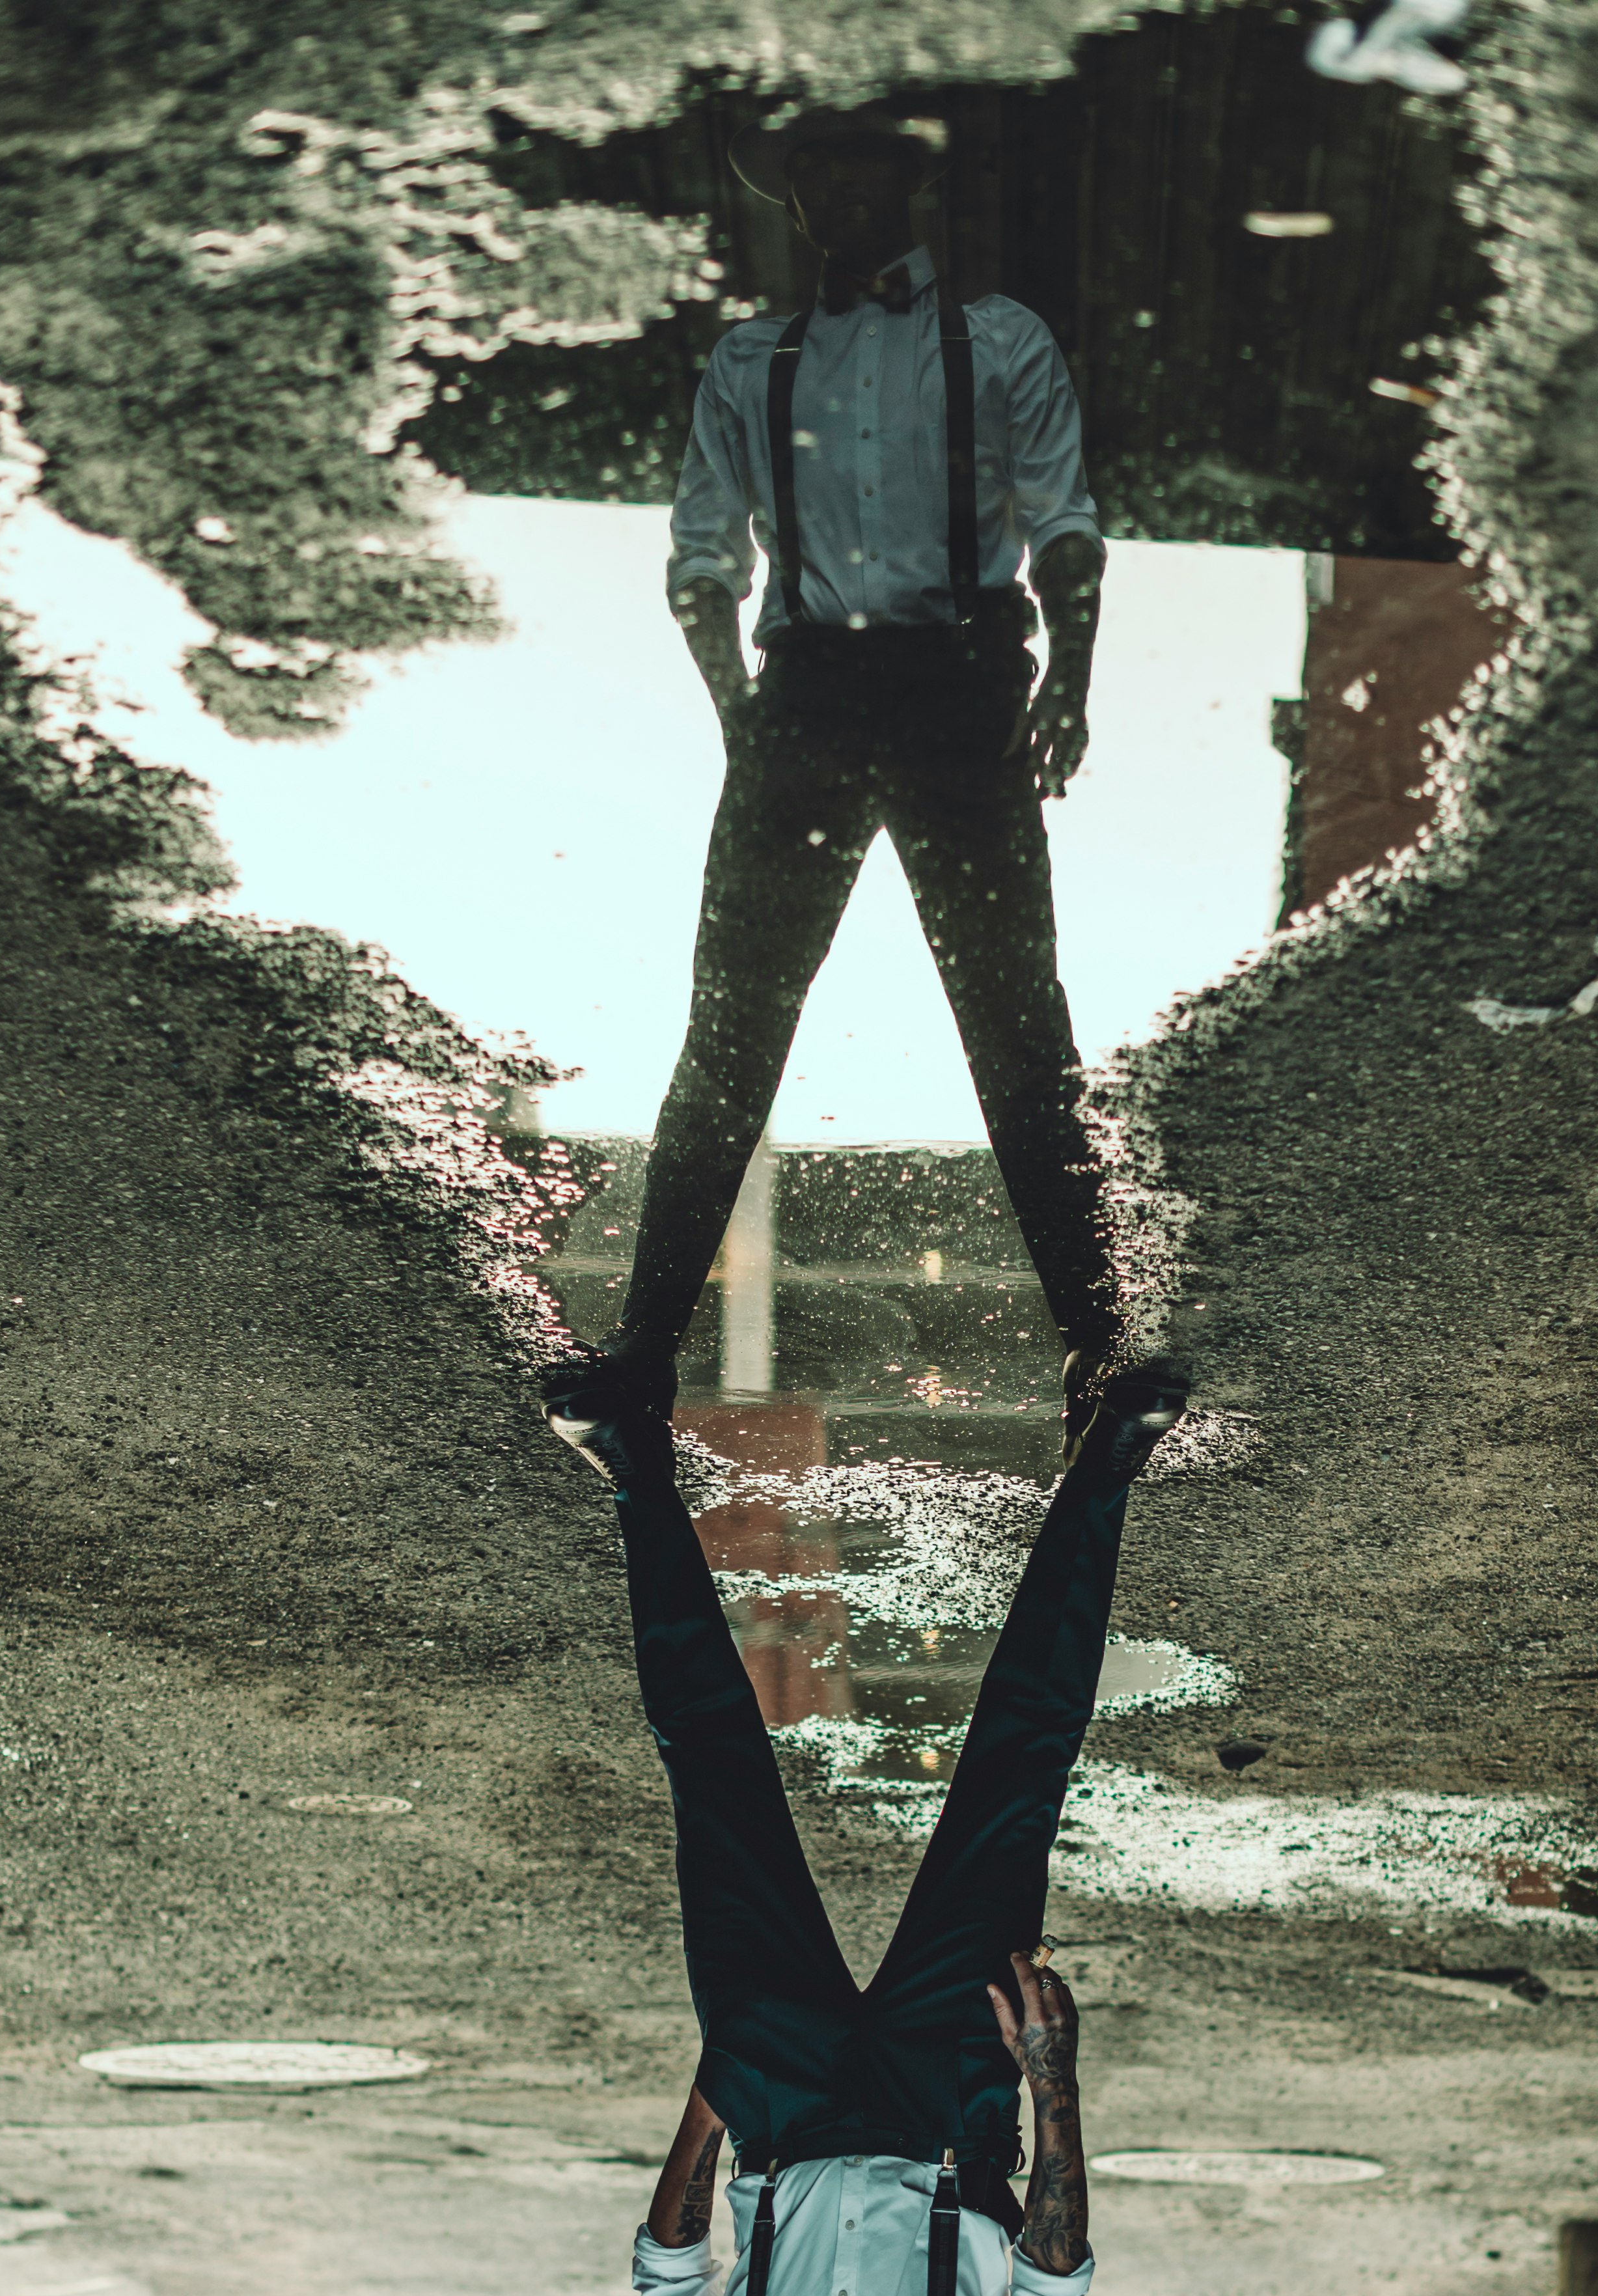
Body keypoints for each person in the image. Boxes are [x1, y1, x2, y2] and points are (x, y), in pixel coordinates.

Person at [544, 1349, 1186, 2296]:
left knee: (711, 1773)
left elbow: (667, 2288)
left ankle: (636, 1471)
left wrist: (709, 2108)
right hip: (948, 2112)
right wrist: (1050, 2082)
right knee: (1013, 1778)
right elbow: (1053, 2287)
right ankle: (1104, 1463)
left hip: (773, 2110)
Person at [603, 105, 1123, 1456]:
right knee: (732, 1026)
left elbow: (1065, 521)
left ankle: (1100, 1348)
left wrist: (1070, 676)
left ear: (912, 187)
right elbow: (701, 559)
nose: (839, 192)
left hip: (965, 693)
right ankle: (640, 1358)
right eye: (815, 172)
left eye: (864, 167)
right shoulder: (749, 363)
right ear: (798, 199)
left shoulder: (1000, 342)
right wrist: (743, 722)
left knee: (1017, 1021)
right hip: (809, 700)